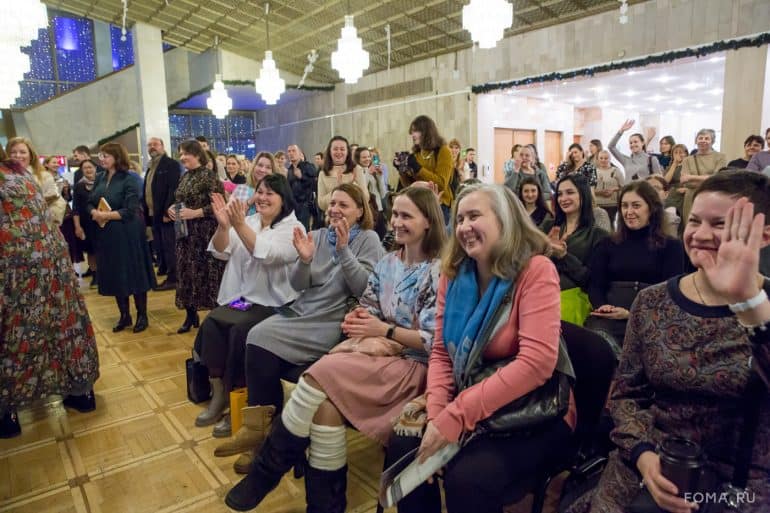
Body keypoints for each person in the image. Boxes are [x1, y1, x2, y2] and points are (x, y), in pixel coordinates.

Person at [225, 186, 444, 512]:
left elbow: (435, 340)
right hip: (375, 352)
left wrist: (383, 332)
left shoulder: (439, 270)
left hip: (412, 368)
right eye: (395, 214)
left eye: (406, 216)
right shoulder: (388, 263)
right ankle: (325, 506)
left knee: (317, 375)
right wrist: (364, 325)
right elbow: (367, 305)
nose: (396, 222)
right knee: (325, 409)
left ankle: (266, 471)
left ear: (428, 222)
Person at [381, 183, 575, 513]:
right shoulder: (453, 274)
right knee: (405, 448)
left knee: (466, 478)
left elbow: (537, 363)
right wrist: (437, 415)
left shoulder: (535, 270)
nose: (463, 227)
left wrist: (457, 416)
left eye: (474, 216)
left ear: (505, 220)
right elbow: (441, 351)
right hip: (472, 396)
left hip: (534, 408)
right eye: (459, 219)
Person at [589, 170, 770, 513]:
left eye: (721, 225)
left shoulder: (764, 308)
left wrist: (748, 302)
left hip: (741, 480)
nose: (701, 235)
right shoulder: (653, 303)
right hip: (654, 458)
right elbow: (626, 395)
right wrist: (643, 455)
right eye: (695, 221)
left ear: (763, 236)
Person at [223, 184, 383, 476]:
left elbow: (366, 289)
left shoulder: (369, 240)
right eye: (332, 203)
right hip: (303, 312)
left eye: (343, 205)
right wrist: (306, 260)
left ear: (360, 211)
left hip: (333, 320)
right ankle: (264, 433)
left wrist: (345, 251)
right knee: (255, 337)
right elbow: (298, 285)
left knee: (260, 336)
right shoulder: (319, 235)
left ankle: (265, 438)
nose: (335, 209)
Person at [0, 145, 99, 438]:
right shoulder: (22, 174)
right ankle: (80, 393)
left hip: (14, 266)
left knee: (15, 332)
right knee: (63, 324)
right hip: (51, 259)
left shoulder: (16, 174)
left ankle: (7, 411)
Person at [193, 174, 304, 436]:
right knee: (211, 323)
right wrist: (223, 227)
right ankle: (218, 394)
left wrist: (239, 224)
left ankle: (238, 405)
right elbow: (221, 250)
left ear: (283, 199)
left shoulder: (293, 228)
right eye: (261, 192)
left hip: (275, 304)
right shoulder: (251, 220)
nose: (263, 198)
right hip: (245, 299)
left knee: (240, 334)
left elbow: (266, 255)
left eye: (270, 194)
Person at [586, 181, 684, 353]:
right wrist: (602, 306)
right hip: (610, 319)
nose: (629, 212)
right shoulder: (606, 244)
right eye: (624, 206)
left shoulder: (672, 247)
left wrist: (631, 314)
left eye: (636, 206)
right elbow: (596, 285)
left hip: (653, 319)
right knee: (594, 345)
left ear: (651, 208)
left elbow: (671, 293)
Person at [89, 142, 157, 333]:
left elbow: (130, 209)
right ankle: (124, 315)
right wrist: (94, 211)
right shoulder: (100, 177)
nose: (102, 159)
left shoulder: (130, 178)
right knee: (116, 274)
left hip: (128, 232)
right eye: (101, 155)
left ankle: (142, 315)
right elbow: (90, 201)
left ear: (117, 157)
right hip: (108, 234)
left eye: (106, 156)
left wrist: (105, 216)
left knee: (134, 274)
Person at [167, 140, 226, 333]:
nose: (182, 157)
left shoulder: (209, 177)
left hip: (204, 233)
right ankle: (190, 316)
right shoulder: (185, 177)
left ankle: (213, 319)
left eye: (186, 153)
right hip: (185, 234)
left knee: (206, 275)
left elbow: (219, 205)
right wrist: (172, 209)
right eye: (181, 154)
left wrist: (196, 212)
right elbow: (180, 201)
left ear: (198, 155)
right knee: (187, 275)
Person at [542, 175, 609, 326]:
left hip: (572, 302)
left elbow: (591, 280)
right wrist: (544, 250)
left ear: (583, 195)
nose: (563, 198)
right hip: (540, 295)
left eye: (570, 192)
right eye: (559, 194)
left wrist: (564, 256)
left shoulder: (597, 235)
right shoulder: (548, 226)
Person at [142, 137, 182, 291]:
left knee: (170, 245)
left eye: (155, 144)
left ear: (162, 146)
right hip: (154, 214)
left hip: (167, 214)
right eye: (149, 145)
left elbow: (174, 189)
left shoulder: (170, 164)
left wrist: (167, 211)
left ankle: (174, 278)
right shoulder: (151, 166)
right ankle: (167, 271)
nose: (152, 147)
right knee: (161, 245)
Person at [398, 115, 454, 224]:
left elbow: (441, 184)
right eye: (412, 131)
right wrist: (401, 170)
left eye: (416, 131)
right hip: (419, 205)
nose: (412, 135)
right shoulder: (416, 154)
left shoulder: (444, 151)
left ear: (427, 132)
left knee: (437, 240)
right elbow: (409, 186)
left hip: (440, 205)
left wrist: (418, 168)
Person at [8, 138, 66, 226]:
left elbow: (57, 202)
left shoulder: (44, 176)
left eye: (23, 152)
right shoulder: (4, 178)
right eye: (13, 152)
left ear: (31, 155)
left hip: (40, 227)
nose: (18, 155)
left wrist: (49, 222)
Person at [680, 128, 728, 225]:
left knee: (710, 224)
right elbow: (684, 181)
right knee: (691, 225)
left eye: (707, 138)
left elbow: (717, 178)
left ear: (712, 141)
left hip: (712, 195)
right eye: (700, 138)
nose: (703, 141)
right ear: (696, 140)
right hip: (691, 197)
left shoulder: (720, 157)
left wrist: (691, 177)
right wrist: (707, 178)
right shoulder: (687, 160)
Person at [317, 136, 369, 212]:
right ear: (330, 152)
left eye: (342, 149)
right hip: (333, 217)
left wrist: (348, 187)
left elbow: (366, 198)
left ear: (347, 152)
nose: (339, 152)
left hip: (353, 217)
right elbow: (321, 204)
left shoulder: (356, 169)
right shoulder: (323, 173)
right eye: (335, 149)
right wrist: (338, 188)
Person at [45, 155, 81, 264]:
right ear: (46, 164)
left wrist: (66, 191)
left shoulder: (62, 178)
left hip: (65, 215)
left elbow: (68, 198)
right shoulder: (43, 179)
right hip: (51, 215)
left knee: (68, 242)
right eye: (53, 162)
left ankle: (70, 268)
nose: (56, 164)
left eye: (57, 162)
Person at [72, 159, 100, 287]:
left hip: (102, 220)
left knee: (104, 249)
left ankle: (107, 274)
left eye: (90, 167)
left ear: (95, 168)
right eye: (85, 168)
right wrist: (77, 226)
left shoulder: (102, 182)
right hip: (86, 223)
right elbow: (75, 208)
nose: (88, 170)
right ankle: (95, 276)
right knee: (91, 251)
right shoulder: (78, 186)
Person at [357, 146, 387, 238]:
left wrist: (380, 177)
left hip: (378, 209)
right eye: (365, 157)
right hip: (367, 211)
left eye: (369, 157)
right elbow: (361, 191)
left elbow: (383, 194)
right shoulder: (358, 171)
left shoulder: (374, 171)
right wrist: (368, 173)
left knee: (382, 237)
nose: (368, 159)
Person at [286, 144, 318, 230]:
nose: (291, 153)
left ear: (300, 153)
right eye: (289, 151)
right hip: (293, 206)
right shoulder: (289, 170)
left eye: (293, 151)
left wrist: (302, 177)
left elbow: (315, 183)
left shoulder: (308, 166)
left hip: (305, 205)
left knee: (303, 230)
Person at [594, 149, 624, 228]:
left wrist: (613, 189)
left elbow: (623, 186)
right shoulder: (594, 172)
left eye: (606, 158)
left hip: (612, 204)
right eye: (601, 158)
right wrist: (600, 192)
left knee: (610, 225)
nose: (603, 160)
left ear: (610, 159)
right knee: (598, 226)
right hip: (598, 204)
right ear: (598, 159)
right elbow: (590, 189)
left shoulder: (616, 171)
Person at [662, 143, 689, 220]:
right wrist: (675, 164)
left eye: (681, 152)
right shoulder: (669, 167)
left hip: (685, 195)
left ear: (686, 154)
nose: (678, 155)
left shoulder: (690, 166)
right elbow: (666, 181)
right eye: (675, 152)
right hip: (672, 196)